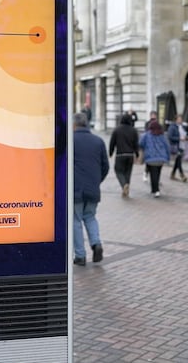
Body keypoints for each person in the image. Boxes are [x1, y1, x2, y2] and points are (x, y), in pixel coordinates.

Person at [73, 112, 109, 266]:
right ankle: (96, 243)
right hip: (93, 189)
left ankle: (80, 255)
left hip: (75, 189)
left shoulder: (70, 141)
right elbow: (105, 166)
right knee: (90, 216)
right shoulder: (98, 141)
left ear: (74, 125)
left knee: (75, 220)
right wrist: (96, 181)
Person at [108, 114, 139, 197]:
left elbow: (112, 142)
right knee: (128, 172)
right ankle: (126, 188)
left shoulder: (117, 130)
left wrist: (110, 152)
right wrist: (137, 153)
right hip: (130, 155)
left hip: (120, 154)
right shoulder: (133, 130)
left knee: (118, 171)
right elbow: (136, 144)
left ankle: (124, 185)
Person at [139, 120, 170, 198]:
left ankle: (156, 190)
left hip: (150, 158)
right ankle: (154, 189)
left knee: (153, 174)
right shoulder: (162, 136)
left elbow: (140, 143)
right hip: (161, 158)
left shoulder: (146, 135)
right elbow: (167, 146)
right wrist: (168, 157)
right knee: (157, 173)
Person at [167, 114, 188, 182]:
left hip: (182, 145)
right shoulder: (172, 127)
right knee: (178, 160)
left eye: (181, 119)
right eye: (179, 119)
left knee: (177, 160)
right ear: (176, 120)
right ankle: (182, 175)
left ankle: (172, 173)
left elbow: (185, 133)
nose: (180, 120)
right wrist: (179, 139)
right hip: (176, 145)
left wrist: (185, 137)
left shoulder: (182, 126)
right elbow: (170, 137)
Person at [142, 110, 158, 183]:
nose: (154, 116)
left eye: (155, 115)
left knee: (155, 161)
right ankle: (146, 173)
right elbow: (146, 133)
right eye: (152, 115)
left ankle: (155, 178)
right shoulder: (147, 123)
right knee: (149, 161)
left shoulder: (158, 123)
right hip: (149, 145)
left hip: (156, 145)